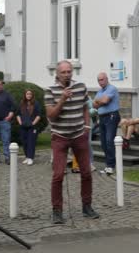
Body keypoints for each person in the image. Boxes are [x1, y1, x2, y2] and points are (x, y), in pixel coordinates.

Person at [45, 60, 99, 224]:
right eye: (64, 72)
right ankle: (57, 210)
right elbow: (51, 115)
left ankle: (87, 206)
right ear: (57, 73)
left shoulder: (80, 87)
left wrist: (87, 125)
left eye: (69, 71)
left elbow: (85, 106)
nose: (67, 74)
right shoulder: (49, 91)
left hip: (78, 135)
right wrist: (62, 99)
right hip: (59, 136)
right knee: (58, 175)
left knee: (86, 172)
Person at [93, 72, 120, 175]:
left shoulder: (112, 88)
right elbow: (94, 105)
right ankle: (108, 165)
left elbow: (105, 101)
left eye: (102, 79)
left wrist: (99, 101)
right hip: (102, 117)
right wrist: (100, 101)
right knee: (103, 143)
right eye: (99, 80)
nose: (101, 82)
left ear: (107, 79)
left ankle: (111, 166)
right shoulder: (100, 91)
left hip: (111, 116)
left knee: (109, 141)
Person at [71, 97, 98, 173]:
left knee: (87, 144)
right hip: (76, 124)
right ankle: (77, 165)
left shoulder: (87, 98)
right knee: (76, 145)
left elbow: (91, 110)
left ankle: (90, 163)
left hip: (86, 125)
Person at [16, 89, 41, 166]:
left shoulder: (36, 103)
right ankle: (27, 157)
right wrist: (20, 122)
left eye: (30, 94)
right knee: (25, 142)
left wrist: (33, 123)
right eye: (27, 94)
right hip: (23, 126)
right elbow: (18, 114)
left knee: (31, 142)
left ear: (32, 95)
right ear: (25, 95)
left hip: (32, 127)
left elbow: (38, 115)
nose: (29, 95)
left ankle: (31, 158)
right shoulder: (21, 103)